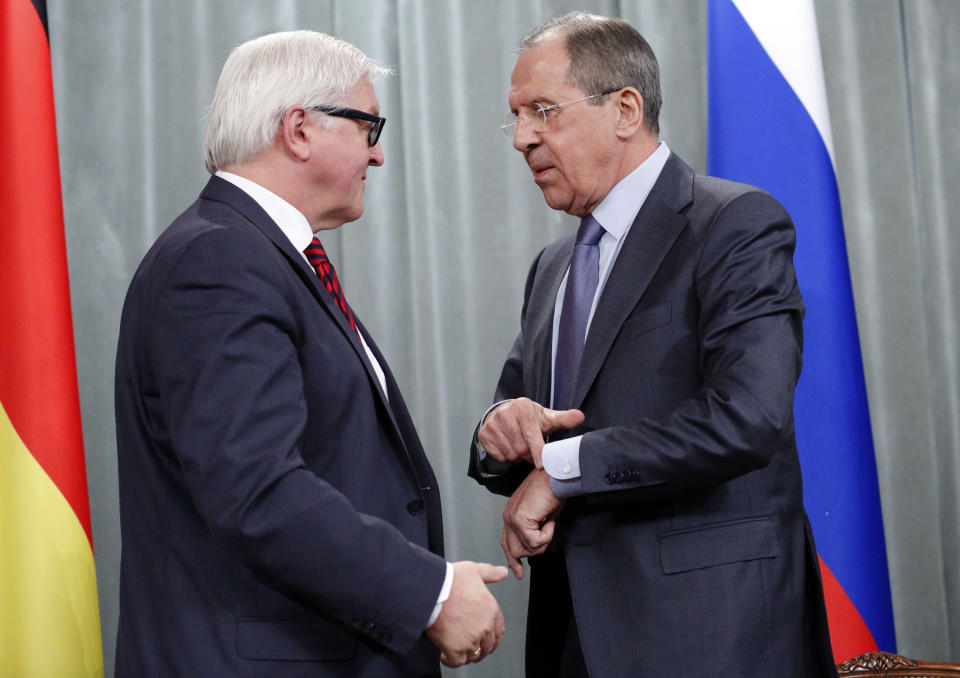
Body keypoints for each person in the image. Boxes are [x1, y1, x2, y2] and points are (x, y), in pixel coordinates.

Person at [114, 30, 506, 677]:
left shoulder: (252, 254)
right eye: (369, 128)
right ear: (299, 129)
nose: (377, 158)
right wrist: (429, 594)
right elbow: (258, 491)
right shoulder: (221, 260)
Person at [468, 12, 838, 678]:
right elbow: (519, 423)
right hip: (573, 636)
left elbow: (746, 416)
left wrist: (563, 467)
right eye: (516, 118)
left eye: (543, 111)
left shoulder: (734, 225)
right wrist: (500, 429)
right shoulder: (553, 266)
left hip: (709, 633)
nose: (523, 138)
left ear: (625, 109)